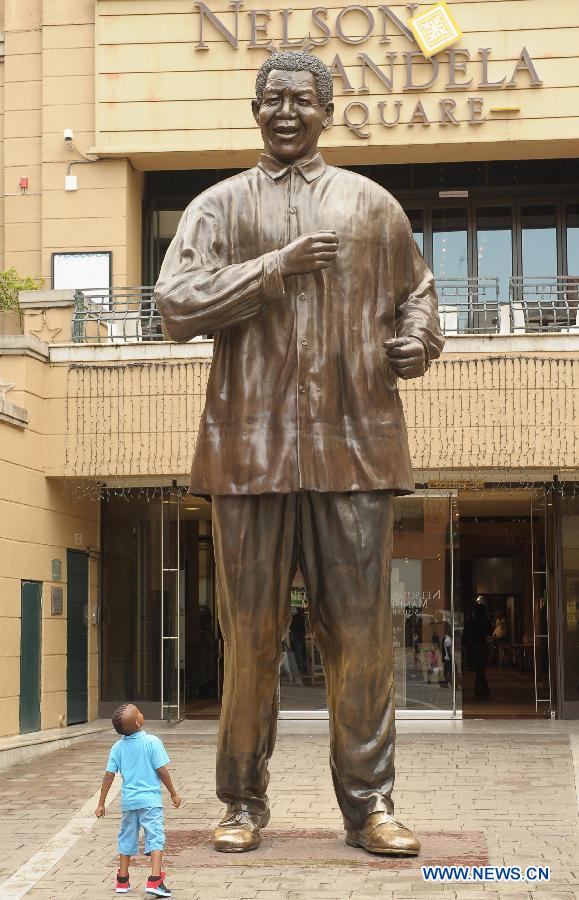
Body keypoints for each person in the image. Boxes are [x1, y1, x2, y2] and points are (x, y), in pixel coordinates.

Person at [156, 50, 443, 857]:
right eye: (271, 99)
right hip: (249, 453)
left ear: (326, 108)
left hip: (354, 449)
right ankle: (241, 802)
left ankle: (370, 806)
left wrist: (418, 339)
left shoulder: (369, 205)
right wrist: (272, 269)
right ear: (255, 110)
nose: (285, 112)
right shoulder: (219, 206)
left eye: (301, 99)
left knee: (360, 636)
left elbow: (417, 297)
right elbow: (175, 304)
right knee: (248, 637)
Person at [95, 703, 182, 896]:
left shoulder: (117, 747)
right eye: (139, 713)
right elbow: (162, 771)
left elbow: (109, 775)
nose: (141, 714)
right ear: (138, 721)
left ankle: (122, 880)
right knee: (155, 837)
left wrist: (101, 802)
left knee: (126, 837)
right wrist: (173, 792)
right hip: (150, 802)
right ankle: (154, 880)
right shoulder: (152, 742)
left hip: (129, 803)